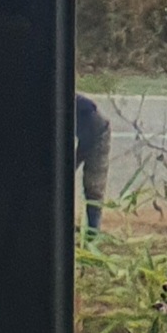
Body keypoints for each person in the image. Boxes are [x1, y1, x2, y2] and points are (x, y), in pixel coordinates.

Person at [72, 91, 110, 236]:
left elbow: (87, 142)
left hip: (98, 133)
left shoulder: (83, 108)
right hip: (83, 130)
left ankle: (93, 230)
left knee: (94, 184)